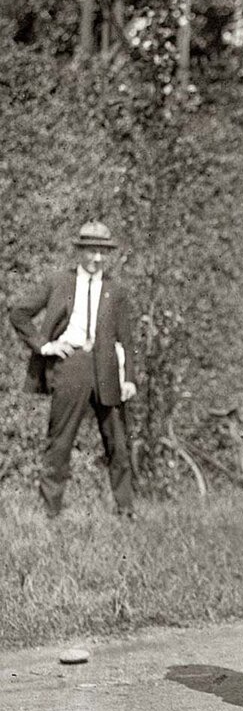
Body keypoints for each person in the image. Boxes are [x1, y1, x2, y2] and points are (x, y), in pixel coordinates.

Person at [9, 221, 138, 519]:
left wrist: (129, 378)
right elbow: (19, 312)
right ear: (80, 252)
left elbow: (126, 339)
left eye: (103, 253)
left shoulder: (115, 290)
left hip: (107, 369)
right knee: (60, 440)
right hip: (71, 366)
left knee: (117, 441)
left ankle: (126, 510)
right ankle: (51, 512)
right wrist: (44, 346)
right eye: (92, 251)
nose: (97, 259)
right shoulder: (59, 282)